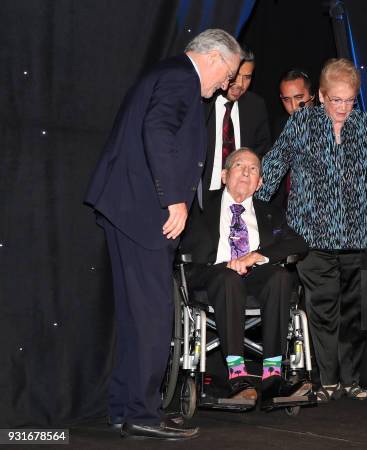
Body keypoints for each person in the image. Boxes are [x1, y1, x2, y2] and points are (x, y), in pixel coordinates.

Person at [84, 29, 242, 439]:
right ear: (211, 57)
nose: (225, 84)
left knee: (138, 316)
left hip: (128, 208)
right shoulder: (181, 78)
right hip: (145, 211)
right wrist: (174, 199)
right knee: (153, 315)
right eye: (227, 74)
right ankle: (142, 412)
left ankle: (126, 409)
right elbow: (157, 131)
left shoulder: (168, 73)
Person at [257, 58, 367, 402]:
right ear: (321, 95)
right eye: (336, 100)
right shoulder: (301, 123)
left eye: (349, 100)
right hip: (311, 236)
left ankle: (353, 380)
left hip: (359, 235)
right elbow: (273, 166)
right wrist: (248, 210)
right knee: (323, 311)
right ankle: (328, 380)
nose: (343, 108)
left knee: (355, 312)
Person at [179, 148, 310, 408]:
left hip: (254, 276)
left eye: (253, 169)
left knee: (281, 278)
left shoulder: (270, 212)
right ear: (225, 175)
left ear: (260, 183)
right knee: (229, 278)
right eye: (240, 166)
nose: (246, 172)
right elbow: (183, 246)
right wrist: (227, 264)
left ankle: (272, 376)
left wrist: (255, 256)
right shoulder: (201, 208)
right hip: (213, 274)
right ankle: (237, 375)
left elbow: (298, 243)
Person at [199, 47, 271, 206]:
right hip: (200, 197)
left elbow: (262, 151)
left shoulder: (255, 106)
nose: (240, 84)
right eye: (236, 76)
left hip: (239, 197)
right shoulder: (203, 101)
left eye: (247, 77)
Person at [270, 69, 315, 207]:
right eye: (286, 100)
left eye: (299, 97)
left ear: (313, 95)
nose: (294, 106)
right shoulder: (278, 127)